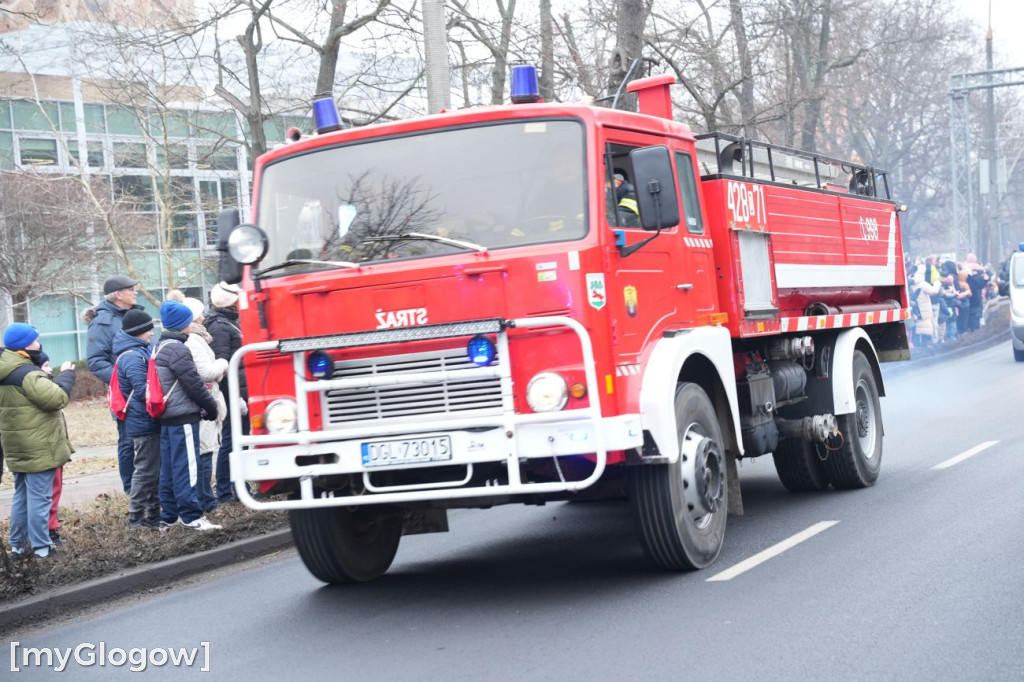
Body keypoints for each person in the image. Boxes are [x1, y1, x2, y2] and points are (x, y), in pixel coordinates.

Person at [0, 323, 76, 559]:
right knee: (40, 499)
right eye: (34, 340)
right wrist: (66, 376)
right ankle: (42, 548)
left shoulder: (7, 369)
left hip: (16, 444)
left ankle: (19, 547)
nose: (38, 344)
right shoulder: (27, 373)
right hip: (39, 445)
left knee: (22, 496)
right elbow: (56, 398)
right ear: (24, 345)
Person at [153, 301, 222, 531]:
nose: (192, 324)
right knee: (187, 467)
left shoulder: (160, 346)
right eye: (189, 321)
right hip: (182, 415)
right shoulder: (178, 349)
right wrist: (210, 407)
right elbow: (194, 383)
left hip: (167, 416)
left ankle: (170, 516)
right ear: (183, 324)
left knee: (170, 469)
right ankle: (192, 517)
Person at [84, 275, 144, 494]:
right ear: (118, 295)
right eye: (131, 289)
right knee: (128, 441)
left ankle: (150, 488)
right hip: (124, 394)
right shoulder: (102, 323)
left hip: (146, 389)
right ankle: (131, 490)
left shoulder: (135, 314)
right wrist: (126, 381)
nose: (136, 292)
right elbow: (96, 361)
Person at [112, 309, 161, 529]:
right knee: (145, 470)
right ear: (138, 332)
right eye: (148, 329)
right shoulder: (133, 356)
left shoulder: (138, 351)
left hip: (145, 420)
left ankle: (153, 515)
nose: (152, 333)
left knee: (152, 469)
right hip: (143, 422)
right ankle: (136, 517)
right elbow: (143, 391)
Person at [180, 296, 228, 513]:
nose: (204, 316)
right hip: (203, 402)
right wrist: (223, 362)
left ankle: (206, 499)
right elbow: (207, 373)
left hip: (204, 399)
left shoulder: (198, 339)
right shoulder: (194, 341)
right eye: (201, 313)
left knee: (206, 451)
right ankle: (206, 502)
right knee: (205, 452)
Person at [206, 282, 247, 505]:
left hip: (239, 389)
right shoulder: (221, 327)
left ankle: (240, 486)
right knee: (231, 441)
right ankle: (225, 492)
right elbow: (224, 364)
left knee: (239, 441)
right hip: (232, 392)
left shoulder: (228, 322)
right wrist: (235, 396)